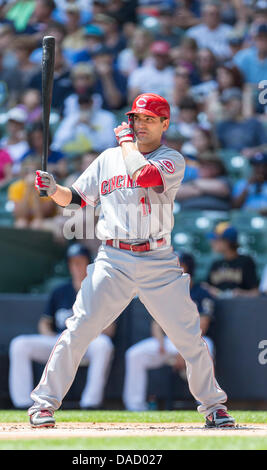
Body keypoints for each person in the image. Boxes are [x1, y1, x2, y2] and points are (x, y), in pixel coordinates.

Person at [32, 92, 235, 429]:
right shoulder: (108, 158)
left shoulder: (172, 158)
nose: (139, 124)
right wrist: (54, 189)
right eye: (135, 118)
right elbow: (78, 200)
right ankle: (43, 404)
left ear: (165, 123)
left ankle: (213, 406)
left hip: (158, 259)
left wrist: (127, 142)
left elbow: (145, 176)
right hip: (114, 257)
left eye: (148, 119)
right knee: (78, 328)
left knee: (189, 338)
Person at [9, 243, 116, 409]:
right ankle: (22, 403)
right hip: (61, 339)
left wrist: (88, 330)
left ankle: (90, 403)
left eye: (80, 262)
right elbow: (44, 322)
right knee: (19, 344)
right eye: (73, 262)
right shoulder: (60, 291)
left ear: (89, 263)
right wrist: (52, 336)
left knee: (103, 344)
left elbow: (110, 329)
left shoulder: (99, 289)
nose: (77, 266)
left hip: (87, 343)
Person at [123, 253, 215, 411]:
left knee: (208, 346)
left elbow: (202, 325)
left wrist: (183, 349)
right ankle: (135, 407)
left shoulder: (201, 292)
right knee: (134, 354)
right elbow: (156, 324)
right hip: (168, 343)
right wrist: (159, 342)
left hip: (192, 341)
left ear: (186, 268)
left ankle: (207, 404)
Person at [206, 222, 259, 298]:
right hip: (219, 308)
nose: (212, 243)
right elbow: (206, 287)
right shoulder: (216, 264)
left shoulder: (245, 262)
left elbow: (256, 293)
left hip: (240, 307)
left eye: (216, 239)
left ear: (227, 241)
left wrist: (241, 294)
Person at [7, 157, 57, 229]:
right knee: (21, 224)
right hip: (25, 219)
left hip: (46, 219)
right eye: (27, 171)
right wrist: (28, 189)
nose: (30, 174)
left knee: (37, 224)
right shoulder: (16, 186)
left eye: (34, 171)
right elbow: (20, 215)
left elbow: (41, 215)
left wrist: (34, 189)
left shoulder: (48, 186)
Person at [216, 88, 267, 157]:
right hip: (230, 163)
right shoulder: (221, 126)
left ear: (240, 103)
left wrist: (253, 151)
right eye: (225, 105)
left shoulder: (254, 123)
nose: (227, 107)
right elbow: (218, 151)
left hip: (253, 162)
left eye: (230, 103)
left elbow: (265, 147)